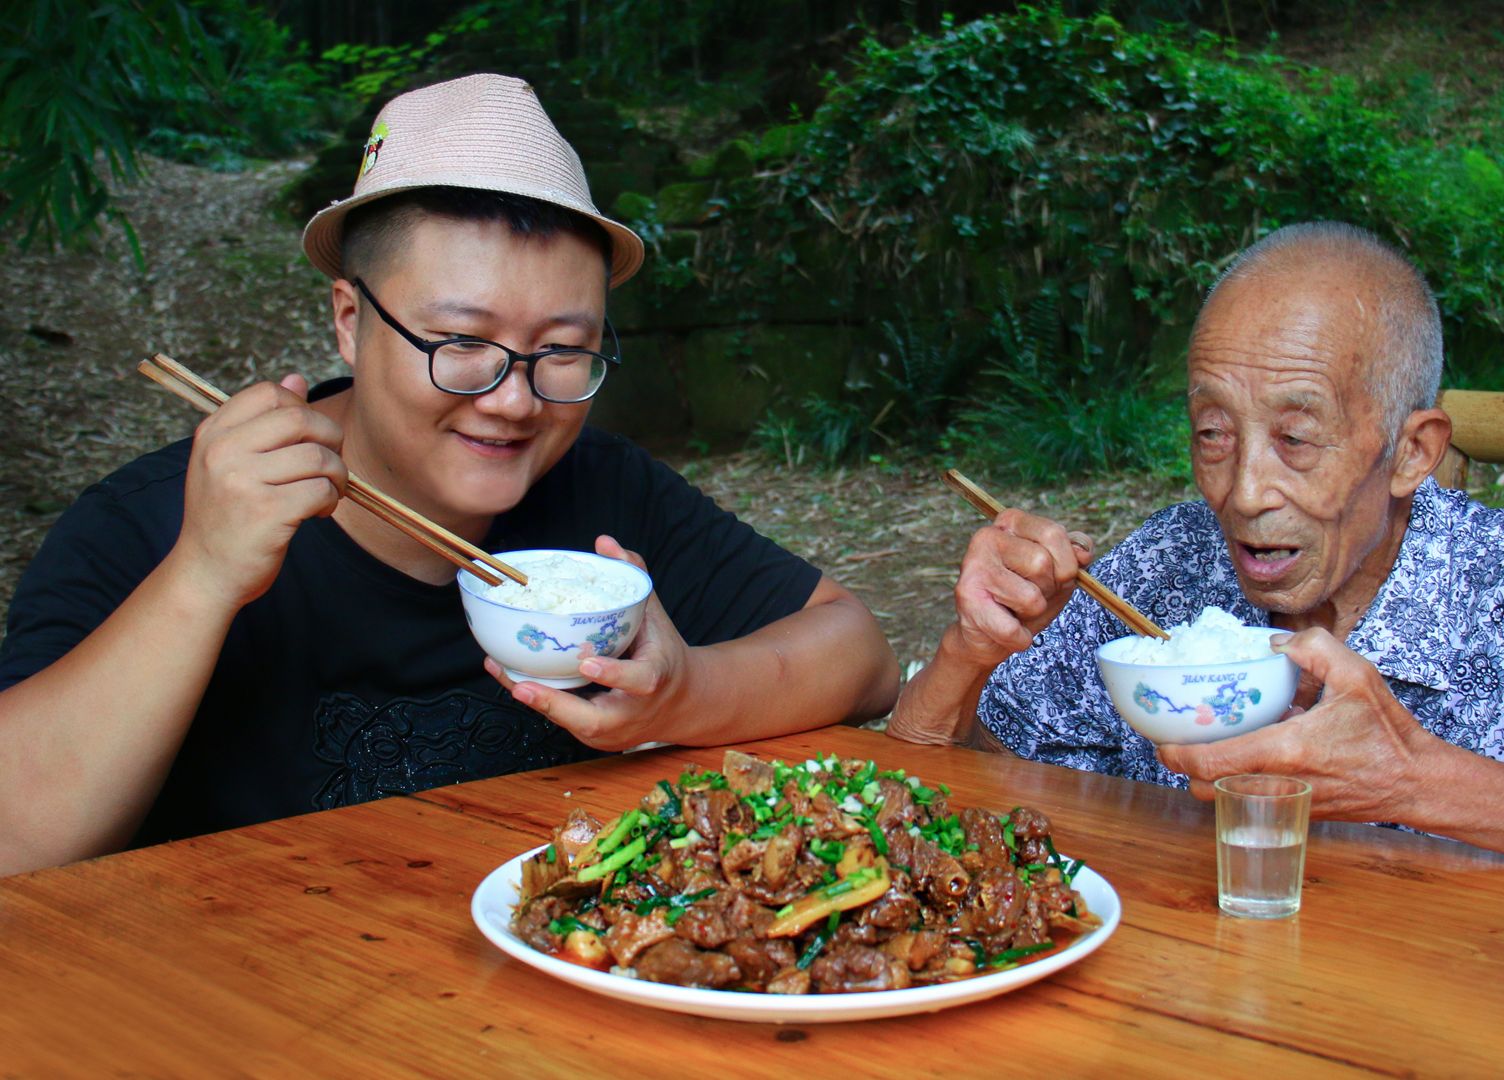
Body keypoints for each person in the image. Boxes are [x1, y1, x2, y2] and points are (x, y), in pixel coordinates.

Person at [0, 74, 899, 876]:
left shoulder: (601, 495)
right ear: (351, 321)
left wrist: (684, 693)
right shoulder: (157, 522)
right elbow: (15, 842)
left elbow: (859, 660)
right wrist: (202, 575)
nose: (512, 402)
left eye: (562, 351)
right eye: (463, 343)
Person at [890, 221, 1504, 889]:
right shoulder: (1161, 570)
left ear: (1410, 453)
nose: (1244, 490)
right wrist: (972, 652)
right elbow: (954, 794)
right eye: (1213, 432)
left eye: (1296, 437)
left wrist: (1421, 782)